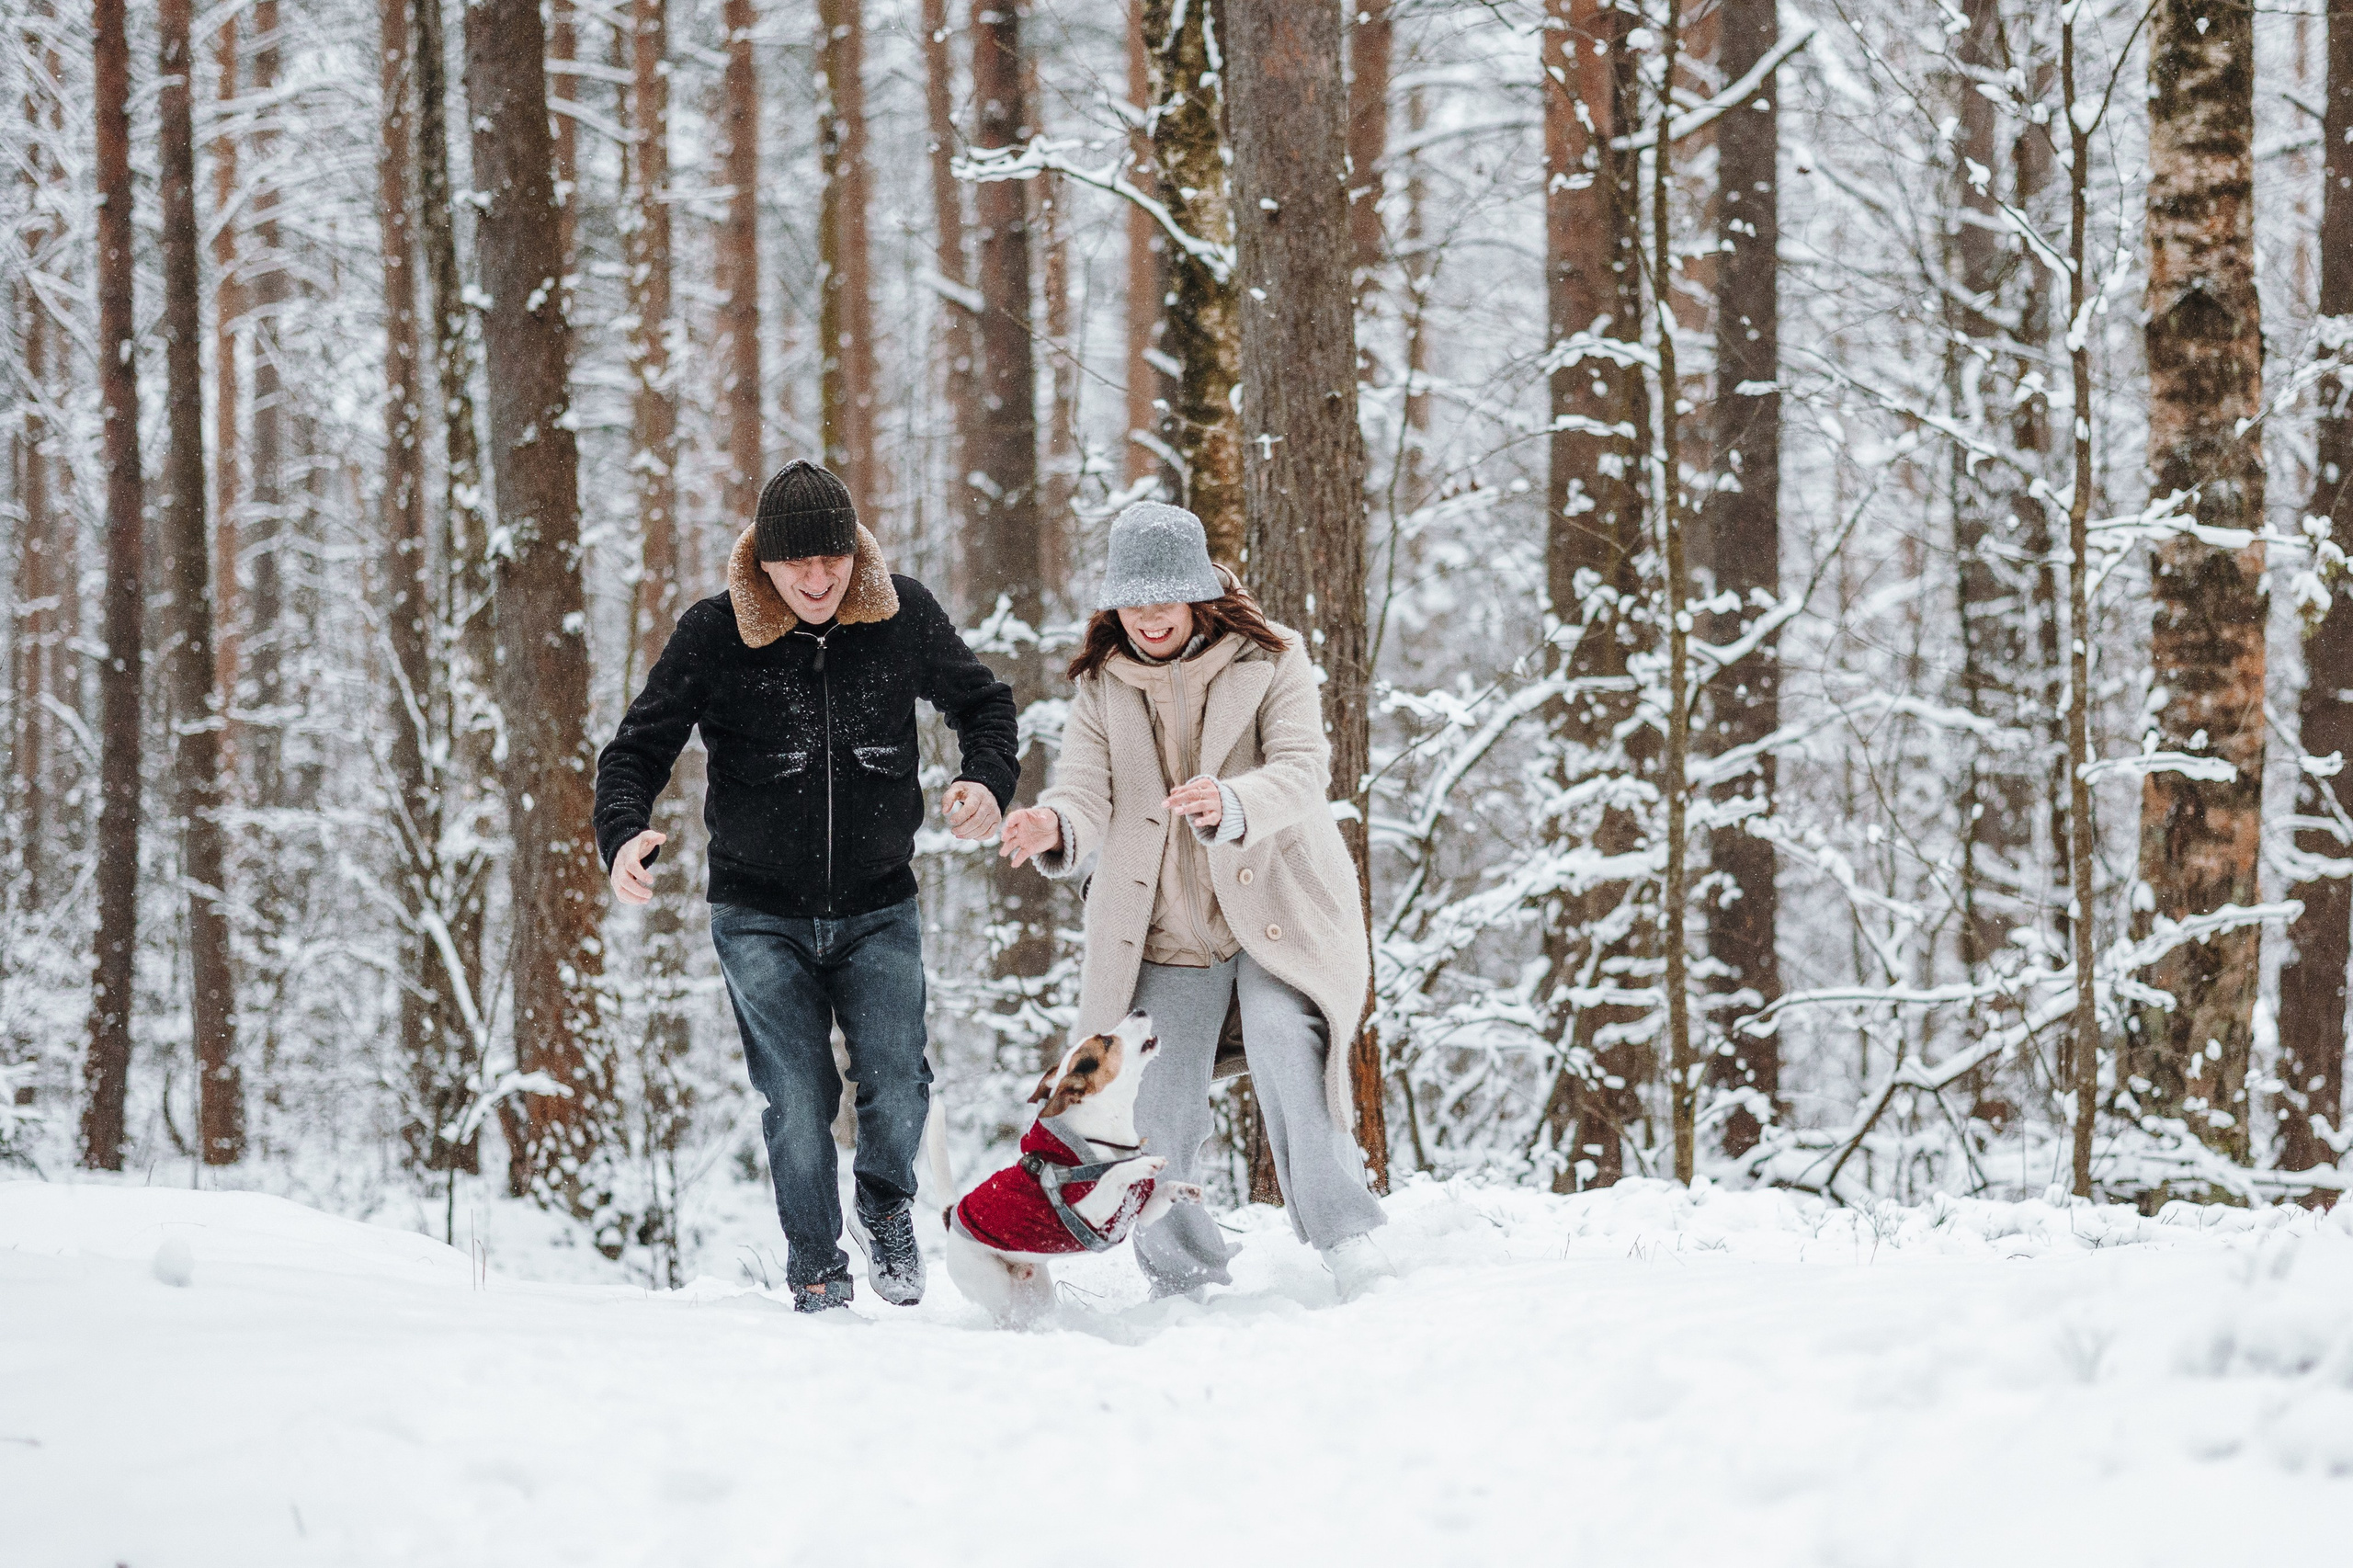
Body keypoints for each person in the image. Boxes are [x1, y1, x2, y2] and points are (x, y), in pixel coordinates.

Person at [596, 460, 1018, 1312]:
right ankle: (817, 1267)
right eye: (798, 567)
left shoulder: (901, 616)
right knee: (796, 1094)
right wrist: (621, 836)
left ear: (855, 554)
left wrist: (985, 781)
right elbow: (636, 748)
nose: (818, 581)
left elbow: (985, 704)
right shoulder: (715, 633)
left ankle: (885, 1203)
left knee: (898, 1081)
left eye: (832, 561)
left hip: (878, 906)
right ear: (765, 566)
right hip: (756, 915)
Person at [998, 501, 1394, 1302]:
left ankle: (1348, 1238)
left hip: (1273, 917)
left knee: (1290, 1041)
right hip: (1167, 935)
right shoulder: (1101, 689)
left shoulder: (1273, 658)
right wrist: (1051, 826)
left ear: (1197, 596)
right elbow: (1082, 793)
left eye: (1163, 600)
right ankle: (1182, 1274)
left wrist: (1233, 802)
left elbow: (1303, 766)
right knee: (1153, 1101)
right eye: (1131, 603)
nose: (1146, 618)